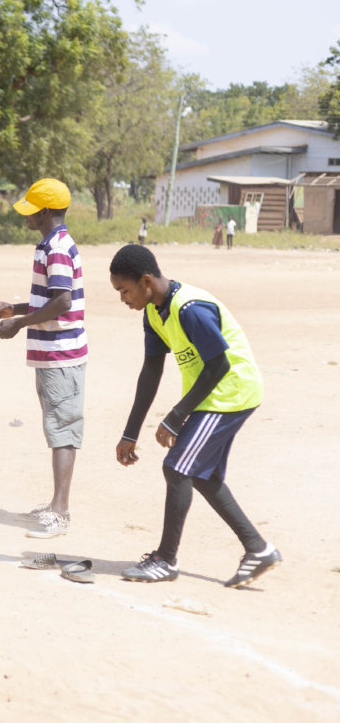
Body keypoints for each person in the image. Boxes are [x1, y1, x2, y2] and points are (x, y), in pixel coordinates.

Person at [109, 244, 281, 587]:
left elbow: (220, 364)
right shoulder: (154, 312)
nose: (122, 299)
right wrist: (130, 433)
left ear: (146, 281)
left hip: (231, 393)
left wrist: (176, 415)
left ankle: (165, 560)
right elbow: (150, 372)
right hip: (211, 396)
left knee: (176, 467)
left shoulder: (189, 308)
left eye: (124, 290)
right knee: (200, 475)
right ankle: (258, 549)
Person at [0, 178, 86, 540]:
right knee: (55, 425)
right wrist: (13, 308)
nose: (25, 217)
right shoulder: (49, 245)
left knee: (62, 429)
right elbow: (52, 297)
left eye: (30, 210)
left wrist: (18, 324)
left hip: (61, 354)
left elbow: (62, 302)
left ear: (45, 212)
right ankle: (55, 503)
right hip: (51, 353)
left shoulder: (57, 248)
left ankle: (60, 512)